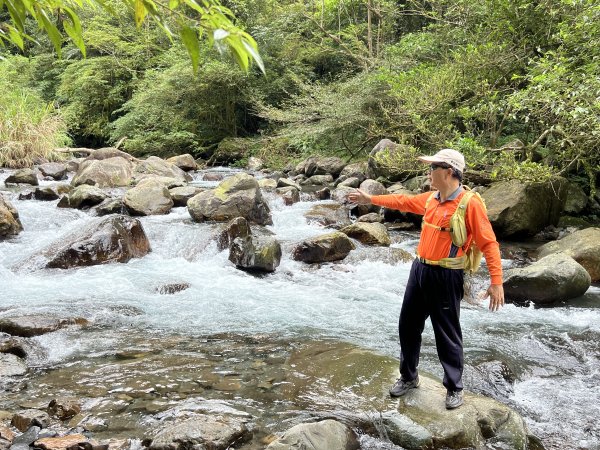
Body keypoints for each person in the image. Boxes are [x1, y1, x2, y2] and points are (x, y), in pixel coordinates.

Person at [347, 148, 504, 410]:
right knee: (407, 326)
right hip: (419, 270)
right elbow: (403, 201)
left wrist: (496, 282)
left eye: (433, 168)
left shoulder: (469, 203)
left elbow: (489, 243)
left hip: (446, 275)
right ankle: (409, 376)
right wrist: (371, 198)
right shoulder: (432, 199)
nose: (429, 173)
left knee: (447, 334)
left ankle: (454, 388)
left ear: (449, 172)